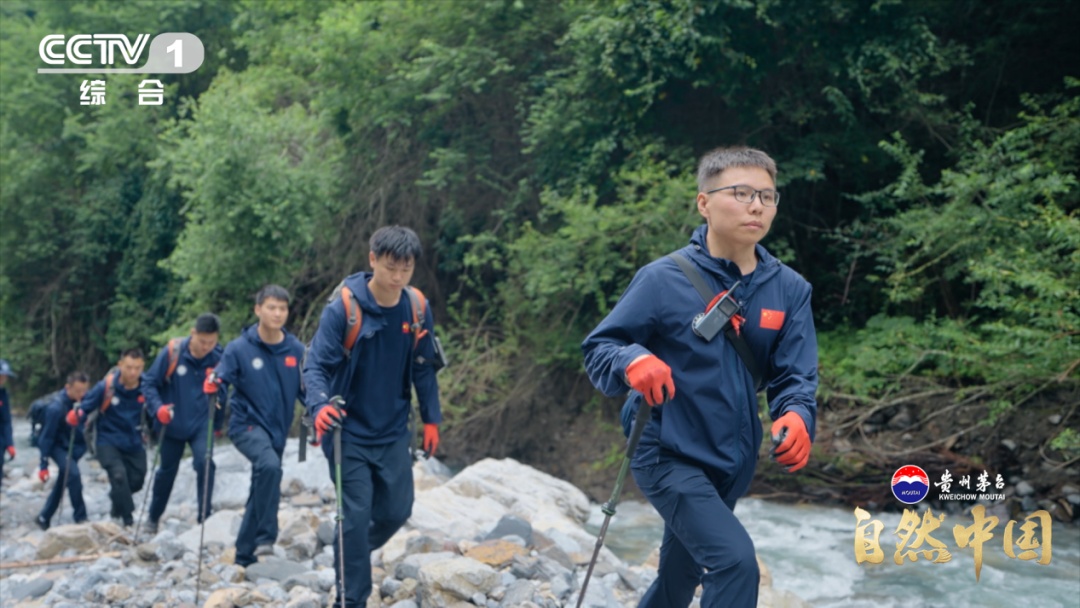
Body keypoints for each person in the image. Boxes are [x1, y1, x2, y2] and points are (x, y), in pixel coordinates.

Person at [581, 147, 819, 608]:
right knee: (734, 563)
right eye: (742, 193)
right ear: (704, 203)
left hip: (733, 457)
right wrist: (633, 361)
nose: (757, 206)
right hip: (665, 448)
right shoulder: (662, 279)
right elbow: (600, 347)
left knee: (679, 573)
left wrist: (797, 414)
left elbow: (795, 374)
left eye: (768, 197)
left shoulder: (790, 289)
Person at [303, 225, 444, 607]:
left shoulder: (416, 307)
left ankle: (347, 551)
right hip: (346, 432)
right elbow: (314, 365)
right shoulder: (344, 308)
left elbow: (423, 367)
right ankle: (351, 599)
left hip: (394, 429)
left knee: (398, 510)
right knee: (355, 513)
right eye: (390, 267)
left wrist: (432, 418)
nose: (397, 277)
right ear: (372, 260)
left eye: (406, 269)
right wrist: (318, 407)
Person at [211, 284, 306, 567]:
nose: (277, 313)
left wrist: (322, 413)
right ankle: (266, 538)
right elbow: (220, 378)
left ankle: (243, 555)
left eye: (282, 308)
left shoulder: (295, 349)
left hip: (277, 431)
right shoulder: (239, 348)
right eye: (271, 307)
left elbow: (308, 389)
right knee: (269, 468)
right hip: (245, 426)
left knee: (263, 483)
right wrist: (214, 389)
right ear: (258, 310)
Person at [143, 313, 224, 533]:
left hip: (201, 423)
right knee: (166, 471)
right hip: (171, 422)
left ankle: (204, 519)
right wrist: (157, 408)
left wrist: (217, 423)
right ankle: (153, 517)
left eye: (212, 342)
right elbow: (149, 383)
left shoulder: (218, 357)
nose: (206, 346)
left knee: (205, 463)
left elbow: (226, 389)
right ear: (193, 333)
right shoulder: (173, 353)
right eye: (202, 341)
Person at [70, 349, 148, 527]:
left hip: (134, 440)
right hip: (107, 440)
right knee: (119, 476)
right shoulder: (106, 387)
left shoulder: (146, 386)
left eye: (138, 368)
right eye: (129, 367)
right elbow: (86, 406)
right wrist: (77, 415)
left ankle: (116, 501)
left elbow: (156, 406)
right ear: (120, 365)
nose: (133, 372)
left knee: (136, 481)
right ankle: (128, 520)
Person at [36, 371, 92, 530]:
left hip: (73, 447)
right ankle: (81, 517)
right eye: (77, 390)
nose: (81, 394)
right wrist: (43, 465)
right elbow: (46, 438)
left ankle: (44, 517)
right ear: (68, 387)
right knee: (73, 474)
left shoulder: (83, 402)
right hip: (57, 447)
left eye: (84, 390)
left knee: (65, 478)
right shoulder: (55, 408)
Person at [0, 359, 16, 486]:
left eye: (4, 377)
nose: (2, 379)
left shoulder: (3, 394)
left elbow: (6, 421)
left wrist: (9, 443)